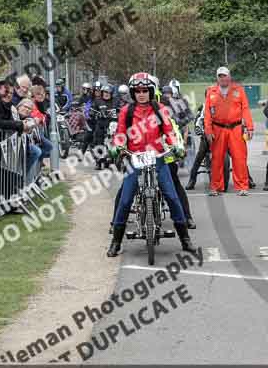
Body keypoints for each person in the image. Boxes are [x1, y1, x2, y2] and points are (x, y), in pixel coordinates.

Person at [106, 73, 198, 257]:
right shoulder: (127, 111)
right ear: (133, 92)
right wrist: (118, 146)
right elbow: (120, 133)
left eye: (145, 90)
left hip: (158, 156)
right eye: (137, 91)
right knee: (125, 200)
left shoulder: (160, 108)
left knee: (172, 197)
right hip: (135, 158)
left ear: (151, 91)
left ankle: (185, 240)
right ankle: (115, 242)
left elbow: (169, 131)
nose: (141, 94)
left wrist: (176, 146)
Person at [204, 67, 254, 196]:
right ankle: (215, 187)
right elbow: (207, 113)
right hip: (218, 128)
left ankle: (242, 186)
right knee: (217, 159)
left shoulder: (239, 90)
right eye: (220, 76)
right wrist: (208, 130)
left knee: (239, 158)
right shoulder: (211, 91)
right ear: (217, 78)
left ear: (229, 76)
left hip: (236, 128)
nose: (223, 78)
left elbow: (245, 109)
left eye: (225, 76)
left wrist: (250, 127)